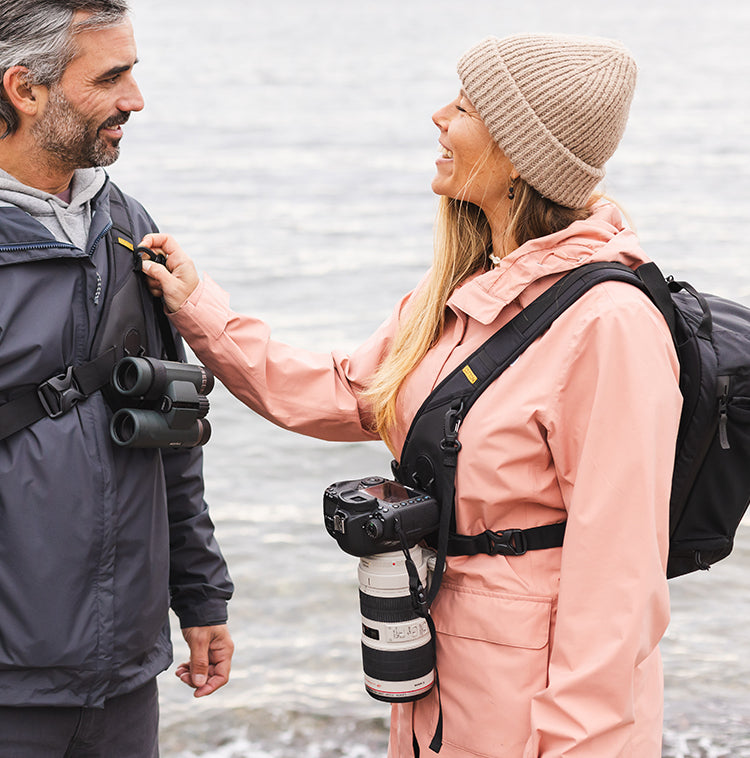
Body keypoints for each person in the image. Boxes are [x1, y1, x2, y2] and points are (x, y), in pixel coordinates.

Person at [142, 34, 682, 758]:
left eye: (462, 107)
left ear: (520, 152)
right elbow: (340, 392)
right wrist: (197, 308)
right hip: (436, 674)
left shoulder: (610, 324)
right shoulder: (462, 298)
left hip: (534, 712)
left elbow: (618, 583)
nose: (438, 118)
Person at [0, 2, 234, 756]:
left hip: (124, 679)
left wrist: (200, 596)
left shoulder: (125, 223)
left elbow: (173, 423)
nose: (135, 99)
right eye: (111, 77)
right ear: (24, 89)